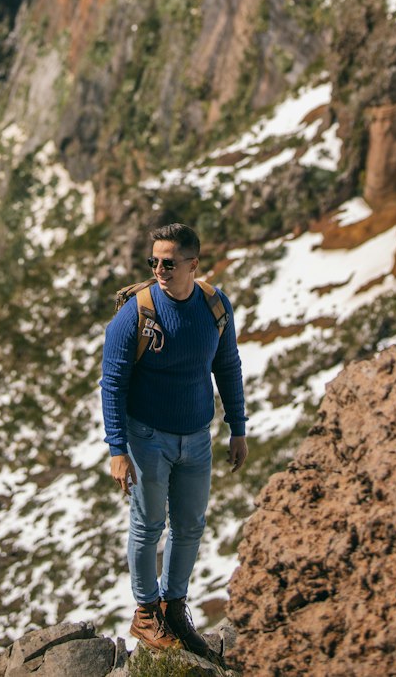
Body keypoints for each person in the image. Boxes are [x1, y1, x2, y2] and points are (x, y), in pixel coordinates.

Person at [100, 222, 248, 656]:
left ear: (193, 264)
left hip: (197, 438)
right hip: (147, 438)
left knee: (190, 526)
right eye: (154, 262)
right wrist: (117, 449)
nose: (159, 269)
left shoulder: (214, 307)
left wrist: (237, 427)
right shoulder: (136, 315)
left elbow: (229, 366)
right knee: (148, 526)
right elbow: (112, 383)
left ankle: (173, 605)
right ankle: (146, 615)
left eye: (168, 262)